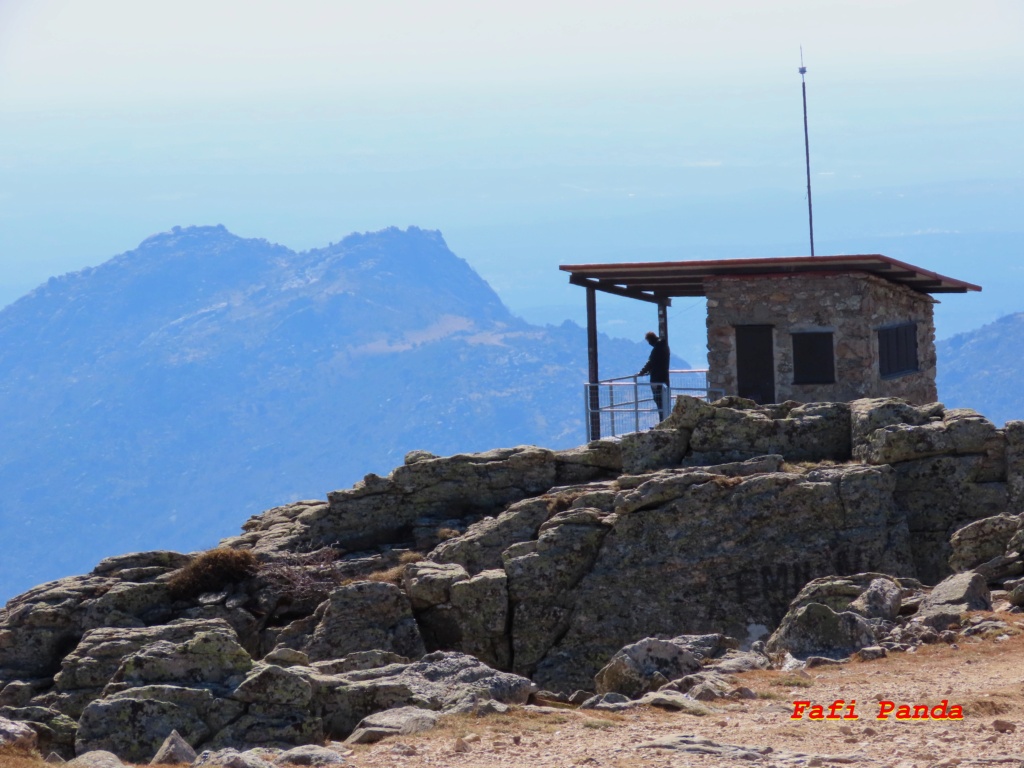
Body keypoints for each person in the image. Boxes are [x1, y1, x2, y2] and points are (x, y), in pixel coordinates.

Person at [638, 331, 671, 421]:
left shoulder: (657, 349)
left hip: (657, 379)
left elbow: (650, 362)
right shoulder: (665, 347)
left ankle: (662, 422)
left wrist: (642, 372)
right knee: (665, 402)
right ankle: (666, 421)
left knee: (659, 401)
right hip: (665, 378)